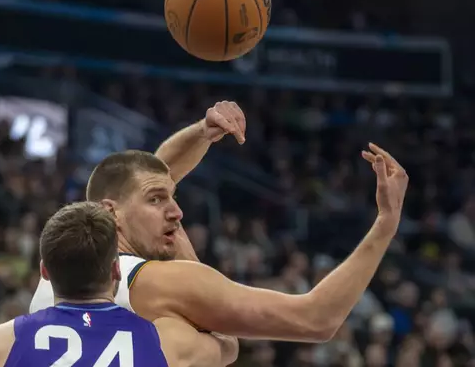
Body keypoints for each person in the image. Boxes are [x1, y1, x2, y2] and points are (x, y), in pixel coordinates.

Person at [31, 140, 408, 342]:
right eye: (159, 200)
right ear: (112, 213)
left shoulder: (56, 272)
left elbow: (147, 175)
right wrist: (386, 223)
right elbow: (316, 320)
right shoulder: (162, 282)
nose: (177, 213)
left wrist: (204, 132)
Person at [0, 201, 237, 367]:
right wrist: (179, 242)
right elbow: (228, 343)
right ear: (116, 270)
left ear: (44, 272)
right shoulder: (168, 342)